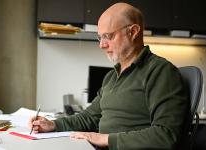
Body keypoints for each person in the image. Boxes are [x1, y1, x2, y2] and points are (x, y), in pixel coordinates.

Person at [30, 2, 189, 150]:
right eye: (100, 37)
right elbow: (88, 118)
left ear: (133, 32)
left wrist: (105, 139)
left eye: (108, 36)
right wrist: (53, 125)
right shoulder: (111, 77)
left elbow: (166, 135)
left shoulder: (160, 71)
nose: (102, 45)